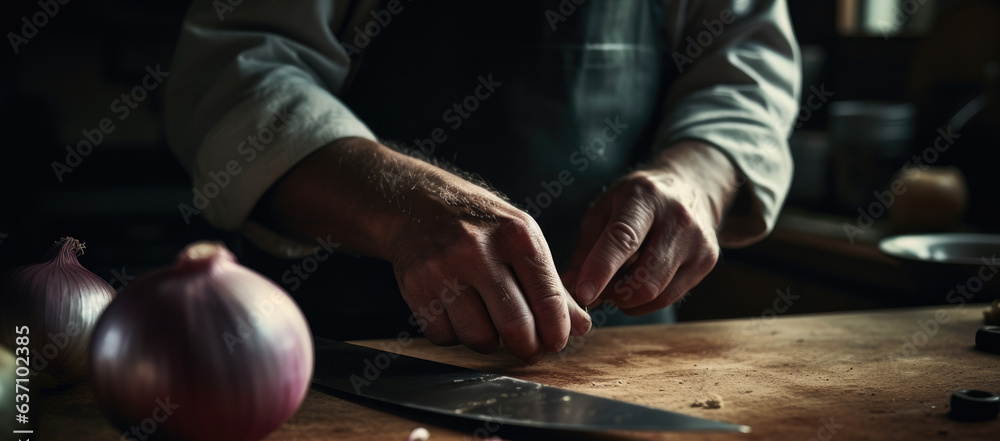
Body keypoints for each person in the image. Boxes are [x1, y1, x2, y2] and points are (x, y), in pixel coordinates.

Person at [165, 0, 801, 363]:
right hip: (345, 355)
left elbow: (745, 65)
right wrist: (402, 209)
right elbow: (236, 77)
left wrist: (697, 177)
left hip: (616, 359)